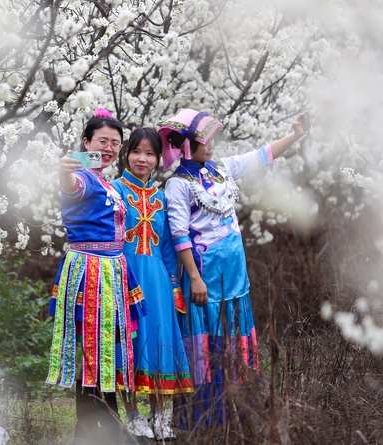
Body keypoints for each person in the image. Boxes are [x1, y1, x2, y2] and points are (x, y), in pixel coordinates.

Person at [157, 109, 308, 430]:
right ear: (186, 145)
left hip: (235, 277)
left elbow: (261, 156)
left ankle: (239, 416)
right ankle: (204, 422)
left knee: (235, 339)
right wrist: (194, 278)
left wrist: (295, 135)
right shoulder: (177, 185)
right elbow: (179, 234)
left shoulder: (221, 169)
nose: (212, 145)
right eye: (205, 141)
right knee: (207, 346)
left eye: (213, 139)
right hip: (204, 279)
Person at [46, 108, 147, 445]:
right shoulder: (85, 177)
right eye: (102, 141)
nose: (109, 149)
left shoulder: (104, 180)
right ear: (86, 143)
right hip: (91, 272)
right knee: (93, 350)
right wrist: (64, 174)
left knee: (105, 349)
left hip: (111, 271)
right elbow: (72, 188)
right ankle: (99, 431)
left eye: (115, 143)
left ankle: (95, 431)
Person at [111, 127, 194, 440]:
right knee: (128, 344)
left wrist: (174, 285)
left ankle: (160, 415)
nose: (141, 159)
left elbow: (169, 248)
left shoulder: (162, 198)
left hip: (158, 282)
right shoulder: (114, 191)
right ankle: (133, 415)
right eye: (136, 151)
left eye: (149, 153)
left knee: (160, 342)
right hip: (124, 275)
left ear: (159, 158)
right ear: (126, 153)